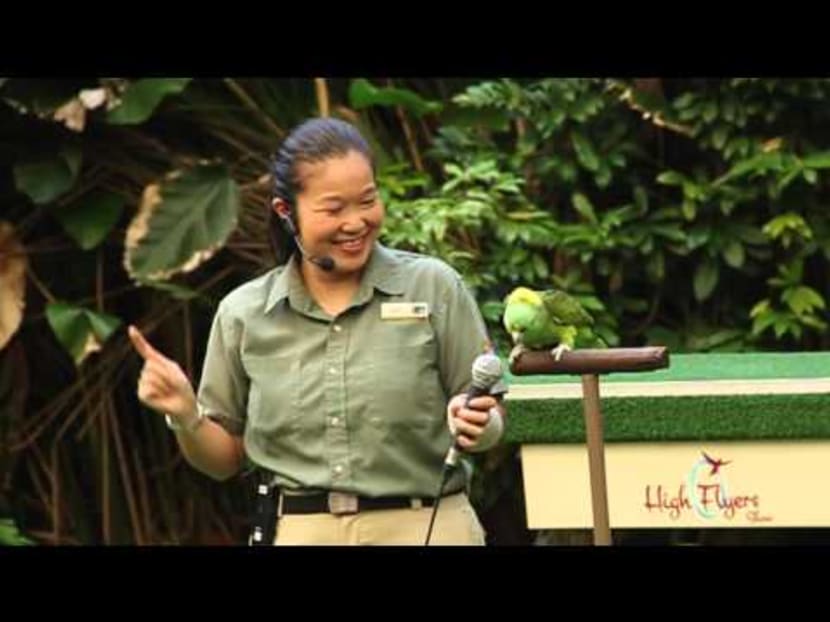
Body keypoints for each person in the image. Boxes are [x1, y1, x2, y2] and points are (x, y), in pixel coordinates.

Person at [129, 117, 507, 545]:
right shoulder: (243, 314)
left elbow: (491, 411)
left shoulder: (434, 286)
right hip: (301, 531)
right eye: (333, 208)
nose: (356, 222)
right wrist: (185, 415)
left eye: (367, 200)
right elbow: (224, 460)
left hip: (429, 524)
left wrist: (479, 423)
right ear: (285, 212)